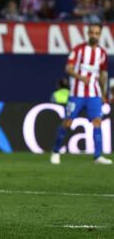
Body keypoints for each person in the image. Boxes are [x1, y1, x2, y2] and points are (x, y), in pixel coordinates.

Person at [50, 23, 112, 165]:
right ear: (87, 33)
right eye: (92, 33)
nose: (94, 35)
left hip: (94, 92)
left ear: (100, 35)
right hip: (77, 92)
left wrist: (103, 93)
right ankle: (55, 151)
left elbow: (102, 74)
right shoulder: (78, 50)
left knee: (97, 121)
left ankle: (98, 156)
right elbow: (68, 68)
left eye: (97, 33)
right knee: (68, 122)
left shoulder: (102, 53)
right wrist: (81, 78)